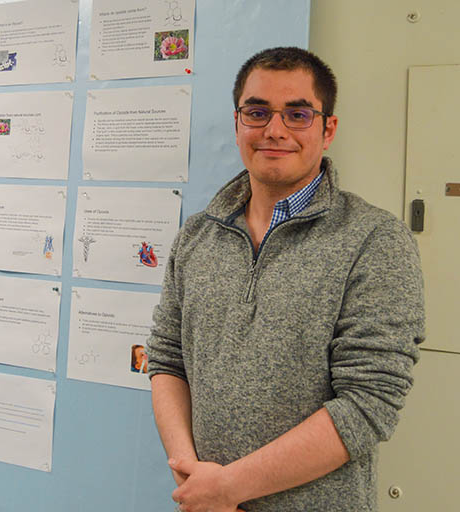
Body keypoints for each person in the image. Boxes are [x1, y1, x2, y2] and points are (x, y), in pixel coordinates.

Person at [146, 47, 425, 511]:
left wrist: (229, 487)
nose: (274, 130)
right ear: (238, 123)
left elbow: (369, 402)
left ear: (327, 128)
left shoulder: (374, 240)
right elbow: (167, 359)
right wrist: (194, 476)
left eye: (297, 114)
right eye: (257, 112)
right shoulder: (197, 235)